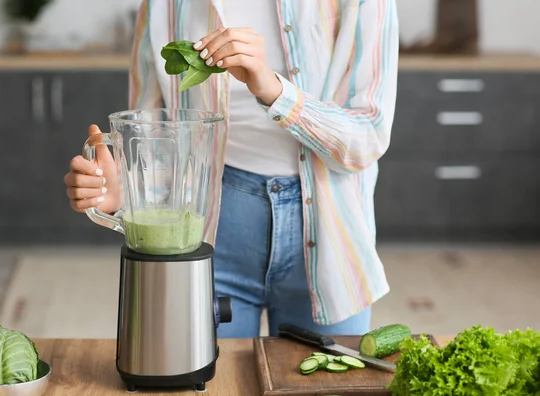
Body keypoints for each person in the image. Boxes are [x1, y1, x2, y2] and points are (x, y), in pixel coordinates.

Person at [64, 0, 399, 338]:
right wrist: (126, 191)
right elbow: (151, 134)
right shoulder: (162, 5)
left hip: (333, 239)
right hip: (208, 231)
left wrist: (275, 91)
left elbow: (367, 137)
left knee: (330, 388)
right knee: (210, 386)